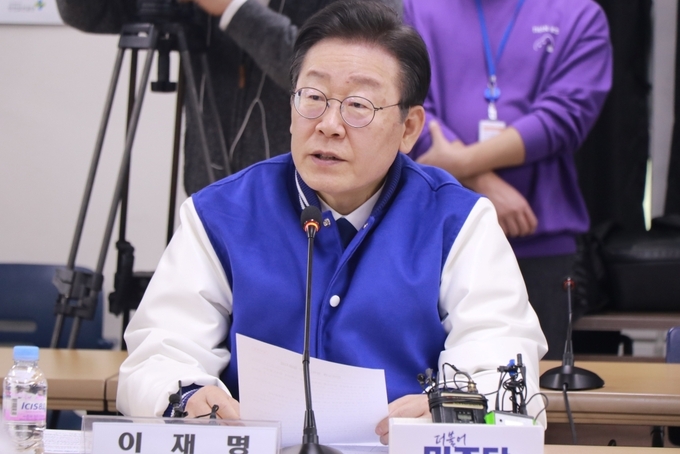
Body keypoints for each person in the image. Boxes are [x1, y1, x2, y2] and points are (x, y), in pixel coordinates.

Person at [116, 0, 548, 444]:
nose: (329, 125)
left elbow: (503, 371)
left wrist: (450, 412)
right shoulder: (221, 214)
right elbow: (157, 356)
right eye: (313, 98)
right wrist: (187, 397)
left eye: (358, 105)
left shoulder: (458, 223)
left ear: (409, 128)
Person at [403, 0, 613, 359]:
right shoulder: (420, 8)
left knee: (531, 376)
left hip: (537, 238)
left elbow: (565, 115)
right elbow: (408, 103)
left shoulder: (579, 14)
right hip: (435, 234)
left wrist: (461, 163)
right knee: (428, 374)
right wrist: (483, 184)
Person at [55, 0, 401, 194]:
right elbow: (86, 13)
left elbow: (338, 77)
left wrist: (233, 9)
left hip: (315, 207)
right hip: (211, 196)